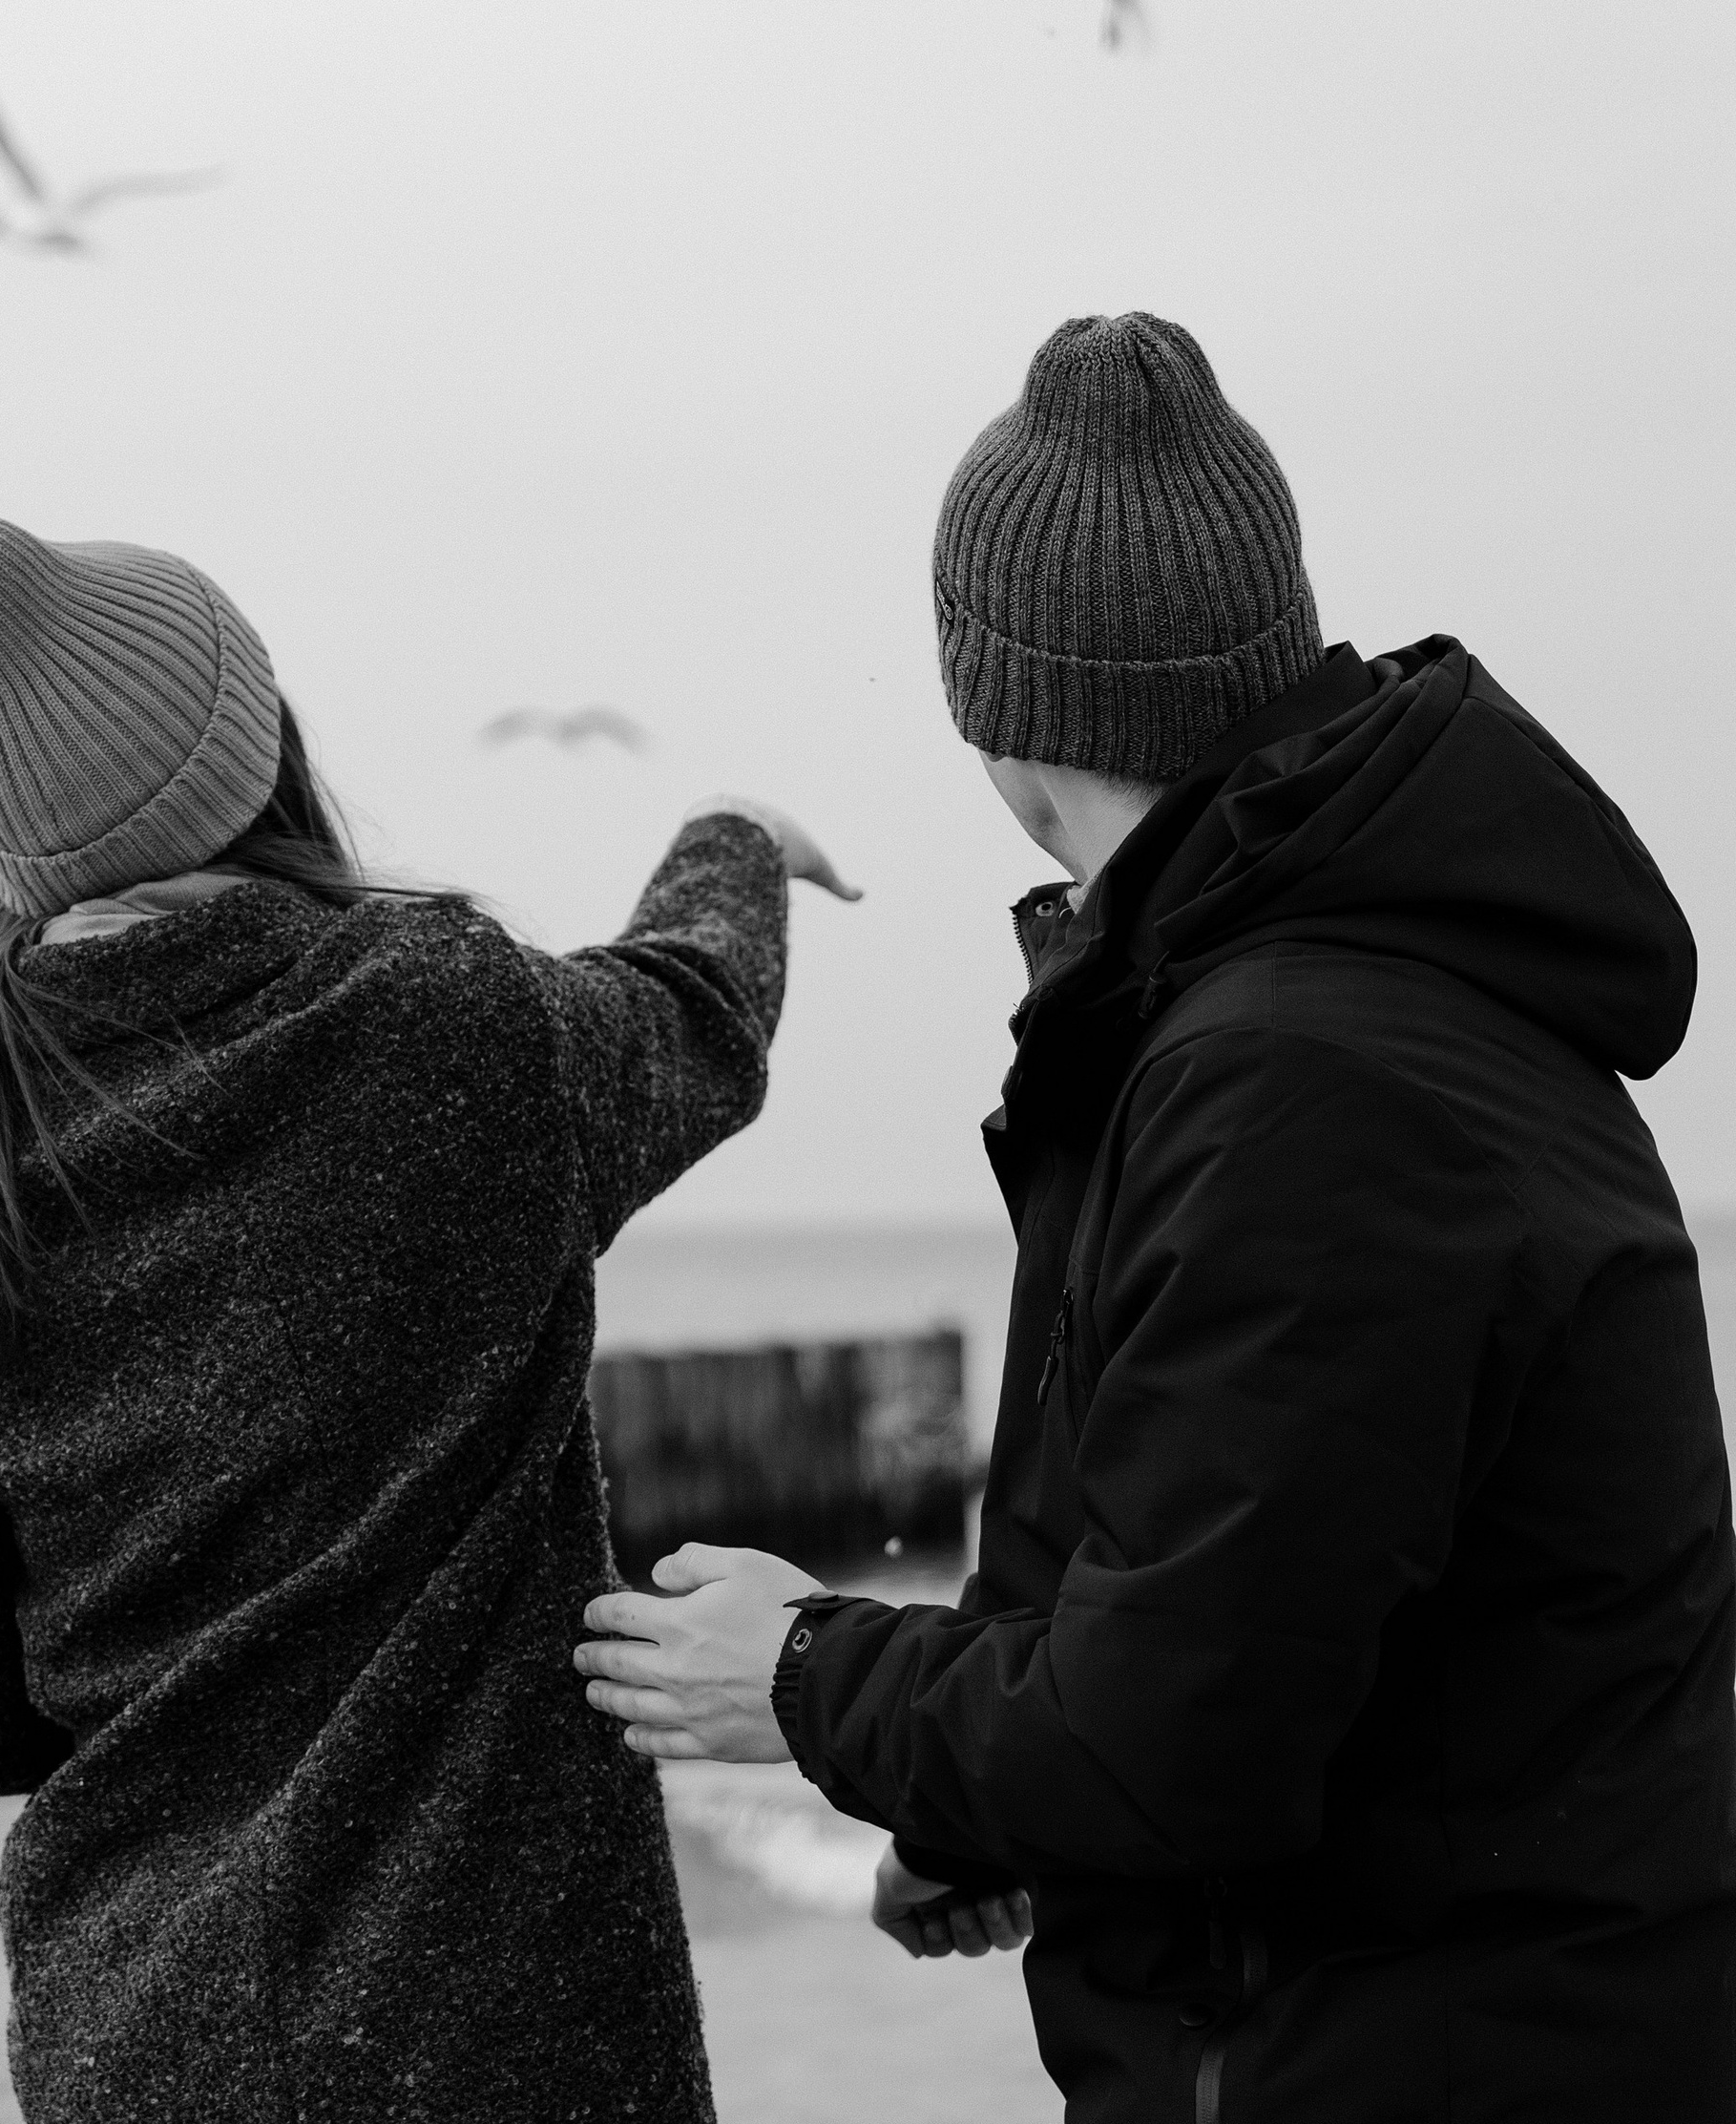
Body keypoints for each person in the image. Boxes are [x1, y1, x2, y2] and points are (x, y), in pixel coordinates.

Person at [575, 313, 1736, 2121]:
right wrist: (987, 1809)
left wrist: (806, 1674)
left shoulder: (1296, 1079)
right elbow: (1281, 1633)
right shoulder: (1373, 987)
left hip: (1408, 2060)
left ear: (1000, 705)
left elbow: (1181, 1738)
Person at [0, 505, 855, 2124]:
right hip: (511, 2027)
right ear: (260, 751)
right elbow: (693, 1019)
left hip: (135, 2046)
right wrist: (729, 842)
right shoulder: (442, 1026)